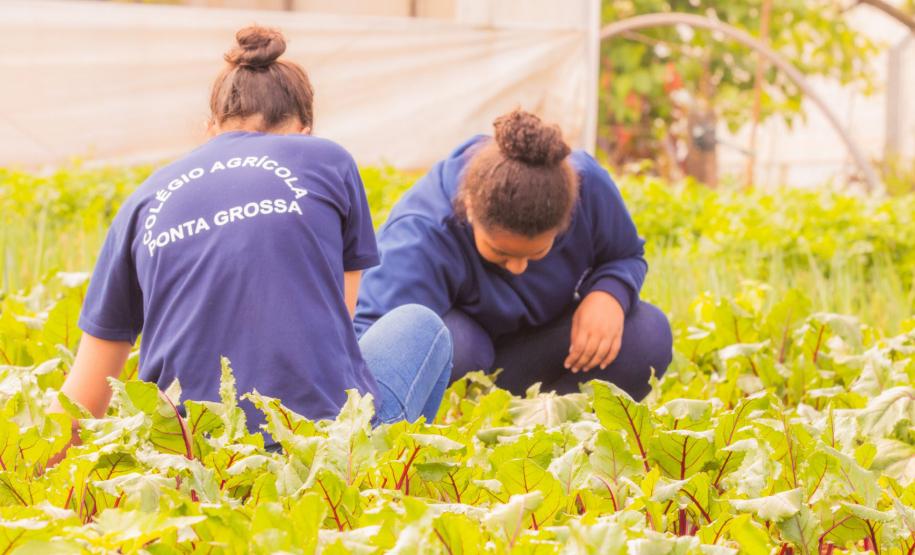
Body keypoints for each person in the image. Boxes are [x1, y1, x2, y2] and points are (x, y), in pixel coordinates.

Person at [57, 26, 452, 451]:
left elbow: (83, 400)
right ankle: (375, 487)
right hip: (312, 453)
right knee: (421, 327)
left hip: (181, 457)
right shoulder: (327, 159)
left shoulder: (143, 200)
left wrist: (36, 474)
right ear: (305, 129)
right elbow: (337, 334)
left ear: (211, 130)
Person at [355, 109, 671, 400]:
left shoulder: (586, 186)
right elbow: (375, 346)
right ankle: (466, 422)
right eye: (501, 253)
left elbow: (625, 255)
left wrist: (609, 293)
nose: (518, 268)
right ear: (469, 209)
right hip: (462, 369)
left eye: (538, 253)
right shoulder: (418, 235)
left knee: (646, 334)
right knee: (462, 344)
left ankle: (545, 427)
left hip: (530, 351)